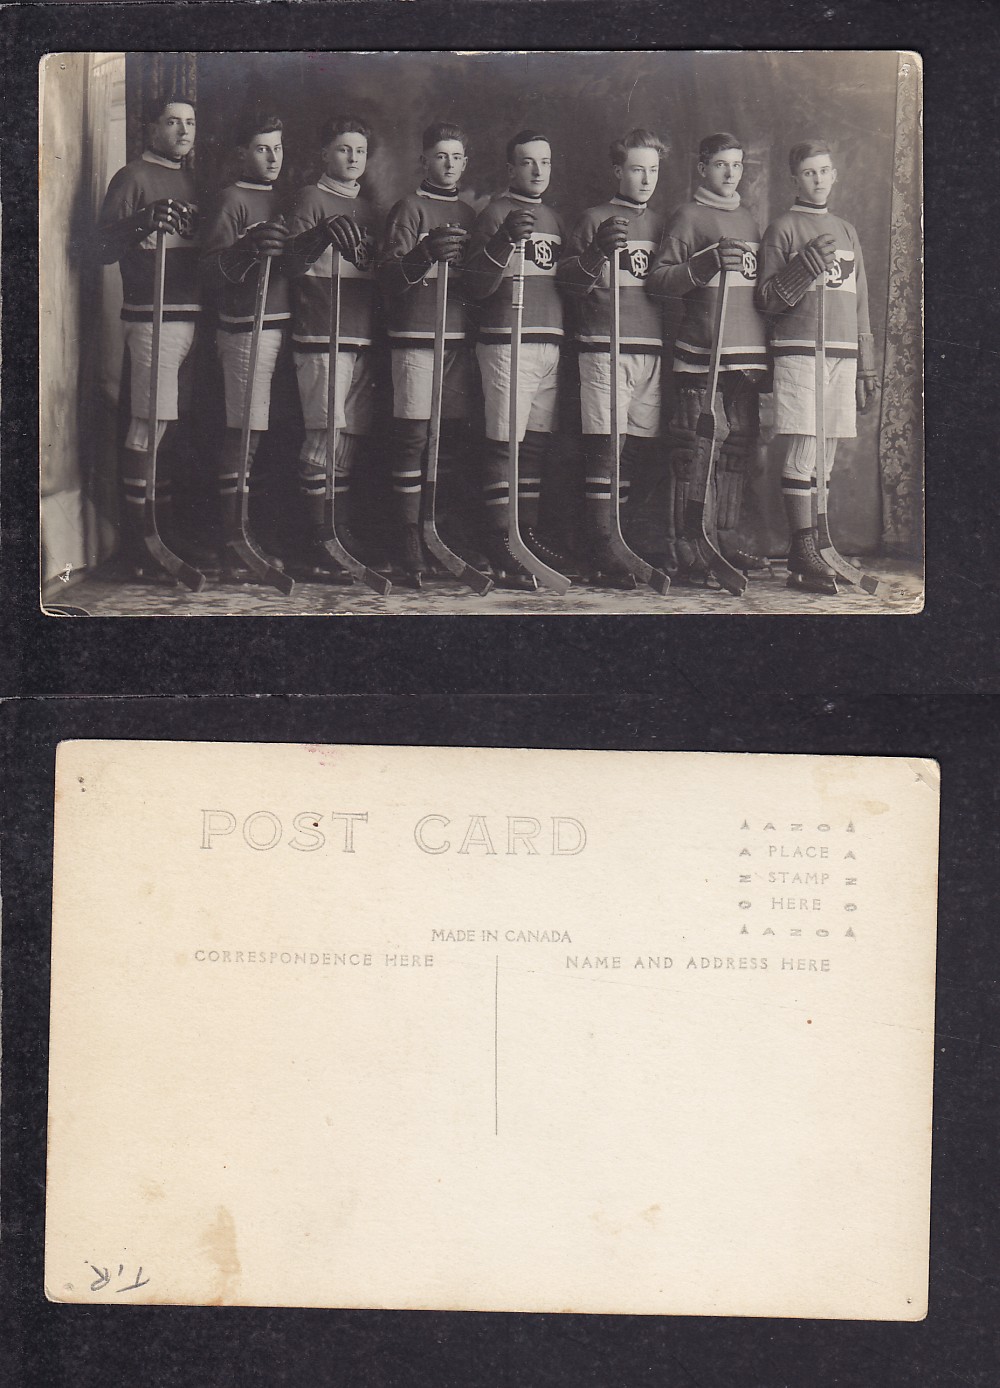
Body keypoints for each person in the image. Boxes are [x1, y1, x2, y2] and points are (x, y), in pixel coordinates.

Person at [755, 139, 880, 594]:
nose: (819, 179)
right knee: (805, 447)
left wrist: (866, 365)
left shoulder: (847, 231)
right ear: (794, 178)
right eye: (809, 172)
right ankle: (802, 546)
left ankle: (818, 545)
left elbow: (861, 301)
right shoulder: (782, 228)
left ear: (835, 174)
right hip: (799, 349)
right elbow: (765, 302)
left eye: (825, 171)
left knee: (825, 456)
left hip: (842, 351)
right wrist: (800, 271)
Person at [645, 131, 768, 582]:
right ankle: (689, 545)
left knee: (736, 448)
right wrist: (704, 265)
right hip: (702, 350)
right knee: (696, 448)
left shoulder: (753, 221)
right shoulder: (687, 216)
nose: (731, 173)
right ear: (702, 168)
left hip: (747, 353)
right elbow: (657, 281)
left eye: (737, 164)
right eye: (720, 164)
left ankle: (726, 539)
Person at [97, 94, 202, 582]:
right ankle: (138, 542)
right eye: (173, 122)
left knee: (171, 429)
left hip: (190, 317)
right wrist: (141, 218)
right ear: (150, 127)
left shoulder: (191, 179)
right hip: (151, 315)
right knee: (148, 426)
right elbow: (96, 247)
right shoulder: (132, 177)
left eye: (190, 123)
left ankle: (160, 531)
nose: (183, 131)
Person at [558, 128, 668, 584]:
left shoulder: (663, 224)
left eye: (654, 170)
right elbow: (567, 287)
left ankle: (617, 537)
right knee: (605, 447)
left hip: (650, 348)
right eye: (637, 169)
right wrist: (595, 256)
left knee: (634, 450)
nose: (645, 179)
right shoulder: (593, 218)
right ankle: (600, 544)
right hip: (605, 344)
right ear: (618, 170)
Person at [463, 129, 567, 587]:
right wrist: (503, 240)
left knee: (535, 445)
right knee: (504, 443)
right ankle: (500, 540)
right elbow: (475, 287)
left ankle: (524, 533)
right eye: (527, 162)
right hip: (507, 339)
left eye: (544, 161)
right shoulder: (493, 214)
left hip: (549, 340)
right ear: (511, 168)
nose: (538, 171)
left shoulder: (555, 219)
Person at [377, 122, 477, 583]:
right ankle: (406, 536)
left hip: (457, 339)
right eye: (440, 156)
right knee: (413, 437)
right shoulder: (409, 208)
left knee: (450, 438)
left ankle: (439, 530)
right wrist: (423, 255)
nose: (449, 165)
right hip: (417, 337)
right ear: (424, 161)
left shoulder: (470, 213)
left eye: (457, 157)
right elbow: (389, 277)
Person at [284, 115, 380, 582]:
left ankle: (337, 530)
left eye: (360, 150)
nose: (353, 158)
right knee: (324, 434)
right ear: (324, 153)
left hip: (362, 332)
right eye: (343, 149)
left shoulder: (371, 207)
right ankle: (316, 538)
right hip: (323, 329)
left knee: (349, 436)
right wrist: (320, 233)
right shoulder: (310, 197)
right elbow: (290, 263)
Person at [200, 111, 290, 581]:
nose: (273, 157)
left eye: (278, 147)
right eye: (262, 148)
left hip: (282, 326)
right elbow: (210, 271)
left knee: (266, 433)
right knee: (244, 430)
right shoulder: (231, 200)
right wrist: (245, 251)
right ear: (242, 153)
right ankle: (233, 537)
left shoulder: (284, 199)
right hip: (244, 327)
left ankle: (251, 530)